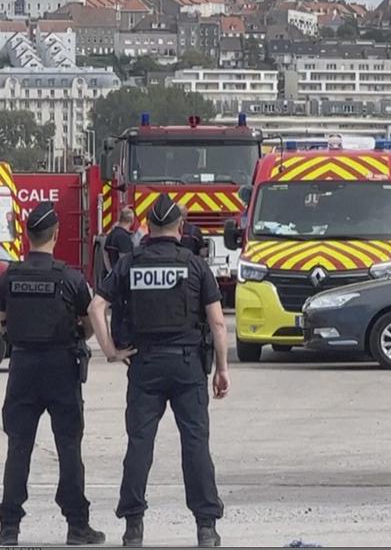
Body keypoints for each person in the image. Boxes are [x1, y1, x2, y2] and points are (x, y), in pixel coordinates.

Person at [88, 194, 230, 548]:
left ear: (147, 227)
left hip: (144, 364)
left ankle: (133, 526)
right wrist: (222, 369)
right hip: (187, 366)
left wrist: (110, 350)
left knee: (139, 445)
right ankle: (206, 527)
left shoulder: (130, 262)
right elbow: (217, 323)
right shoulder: (195, 266)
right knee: (195, 445)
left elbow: (96, 306)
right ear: (180, 228)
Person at [0, 201, 105, 546]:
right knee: (69, 448)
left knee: (19, 447)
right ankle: (77, 526)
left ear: (27, 236)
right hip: (61, 368)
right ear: (56, 235)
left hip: (23, 367)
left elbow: (2, 320)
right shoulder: (70, 278)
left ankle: (9, 527)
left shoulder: (10, 277)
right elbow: (90, 324)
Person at [105, 207, 136, 272]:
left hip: (112, 274)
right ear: (131, 221)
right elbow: (125, 261)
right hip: (120, 277)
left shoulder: (110, 234)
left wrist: (111, 272)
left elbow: (106, 257)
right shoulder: (123, 237)